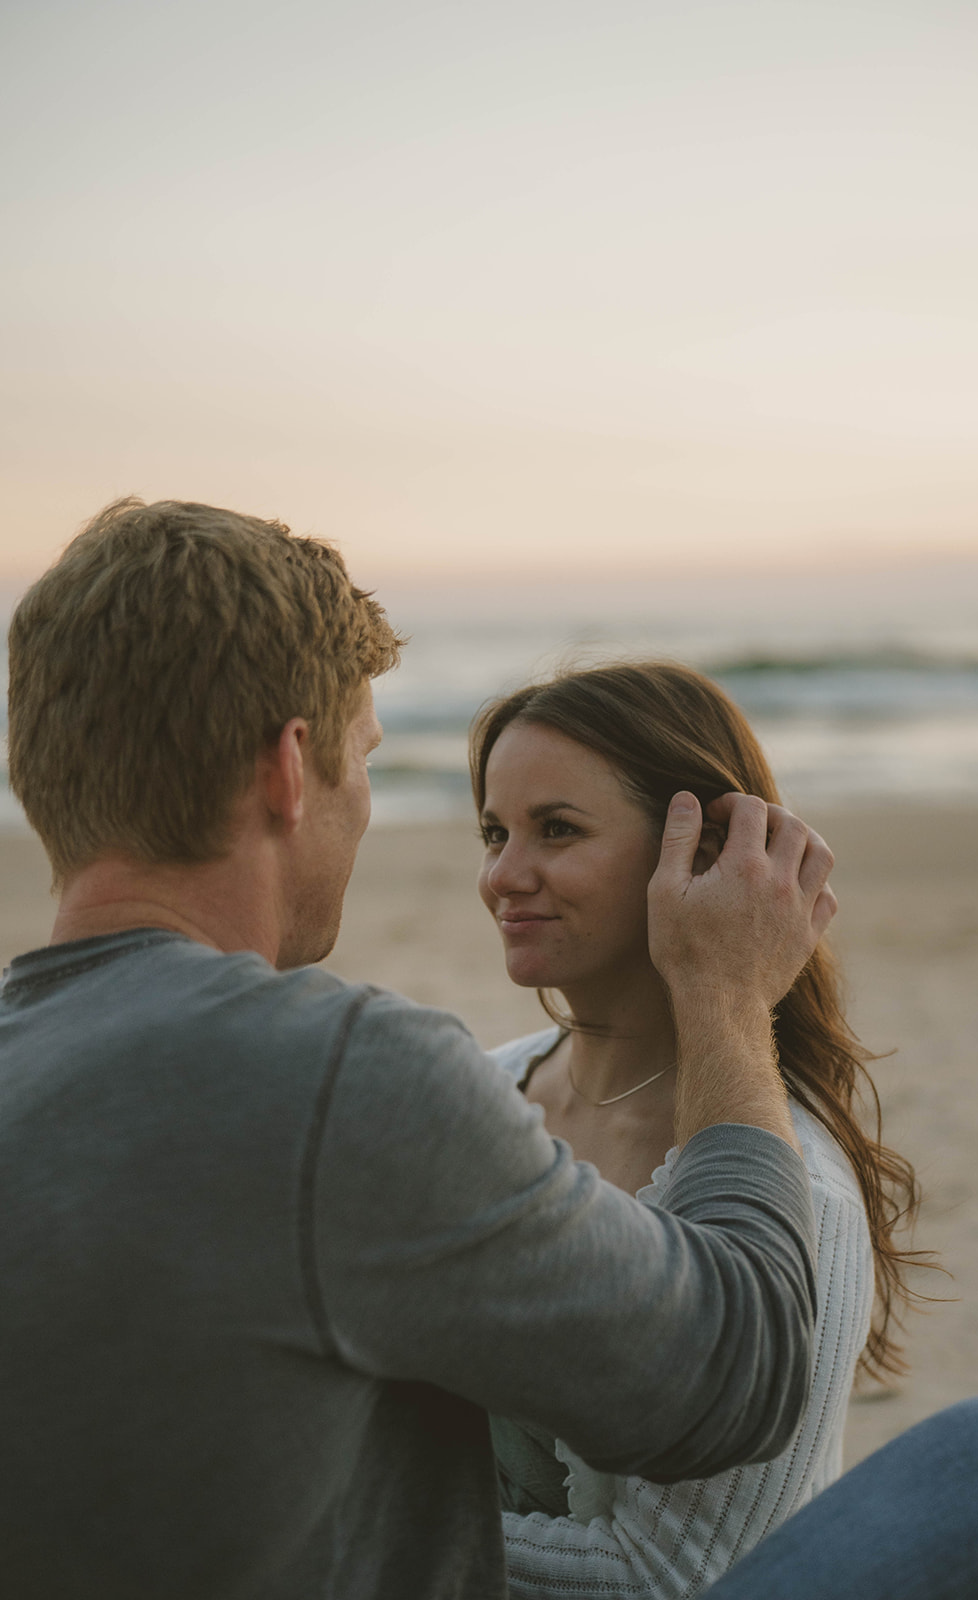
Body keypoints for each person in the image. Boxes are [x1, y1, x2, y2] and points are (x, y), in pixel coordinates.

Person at [0, 497, 831, 1600]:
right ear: (289, 771)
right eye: (364, 759)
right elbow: (740, 1368)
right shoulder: (338, 1077)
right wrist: (725, 998)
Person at [471, 662, 924, 1595]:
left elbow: (676, 1578)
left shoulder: (802, 1198)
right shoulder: (479, 1090)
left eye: (556, 830)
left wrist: (335, 1533)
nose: (502, 877)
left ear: (704, 856)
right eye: (493, 832)